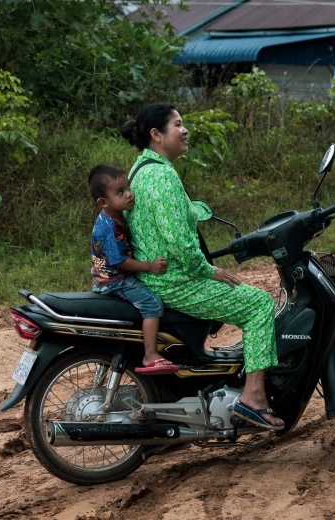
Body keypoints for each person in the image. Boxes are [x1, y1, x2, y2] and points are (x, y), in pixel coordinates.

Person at [119, 103, 285, 431]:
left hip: (153, 277)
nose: (185, 130)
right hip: (175, 281)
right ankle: (253, 397)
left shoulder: (140, 169)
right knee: (259, 304)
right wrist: (209, 270)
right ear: (156, 134)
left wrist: (192, 210)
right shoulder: (163, 175)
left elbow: (164, 219)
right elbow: (178, 242)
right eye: (178, 124)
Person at [88, 164, 175, 375]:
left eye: (127, 188)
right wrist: (149, 267)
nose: (129, 194)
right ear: (103, 201)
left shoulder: (117, 215)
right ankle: (150, 354)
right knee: (152, 304)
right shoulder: (108, 227)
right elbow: (121, 261)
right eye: (120, 192)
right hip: (116, 280)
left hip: (110, 276)